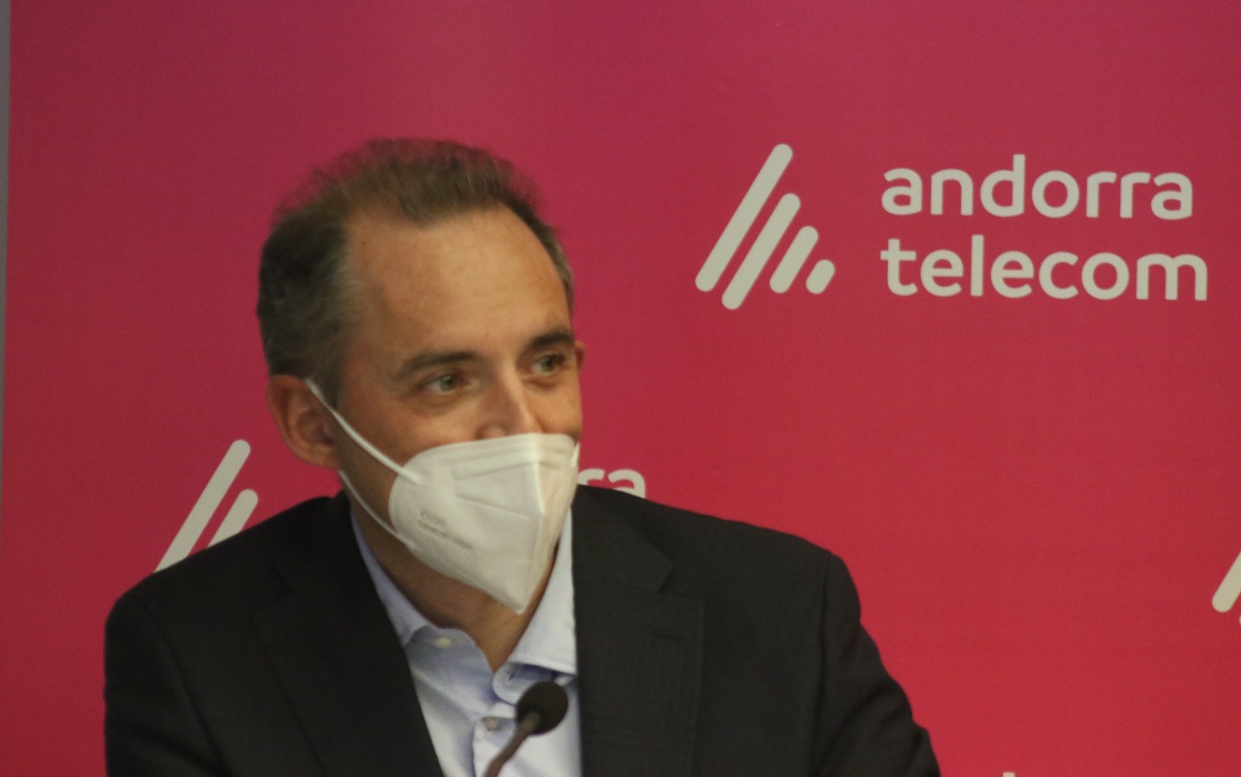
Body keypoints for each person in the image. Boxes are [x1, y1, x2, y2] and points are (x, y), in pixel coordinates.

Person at [105, 139, 940, 776]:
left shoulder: (778, 613)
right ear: (313, 423)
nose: (520, 421)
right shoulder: (198, 654)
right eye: (447, 380)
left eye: (545, 364)